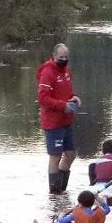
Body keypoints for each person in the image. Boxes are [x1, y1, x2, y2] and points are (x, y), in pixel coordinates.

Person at [38, 42, 80, 194]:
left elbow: (68, 93)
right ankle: (54, 192)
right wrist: (63, 105)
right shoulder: (48, 72)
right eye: (61, 57)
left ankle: (61, 189)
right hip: (53, 122)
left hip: (66, 121)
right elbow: (43, 98)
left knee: (71, 154)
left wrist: (74, 98)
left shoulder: (67, 71)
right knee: (55, 155)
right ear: (54, 56)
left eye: (66, 57)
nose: (64, 59)